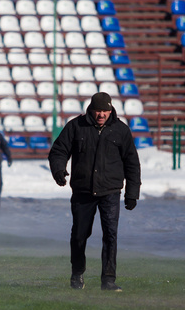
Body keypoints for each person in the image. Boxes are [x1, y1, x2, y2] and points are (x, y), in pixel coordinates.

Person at [48, 92, 141, 292]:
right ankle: (77, 272)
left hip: (111, 191)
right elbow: (59, 150)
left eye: (105, 111)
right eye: (98, 110)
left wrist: (132, 192)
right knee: (80, 235)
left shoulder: (121, 130)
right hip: (83, 191)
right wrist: (58, 169)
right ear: (91, 109)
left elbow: (132, 163)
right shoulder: (76, 126)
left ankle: (108, 279)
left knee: (110, 235)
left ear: (111, 110)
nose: (101, 115)